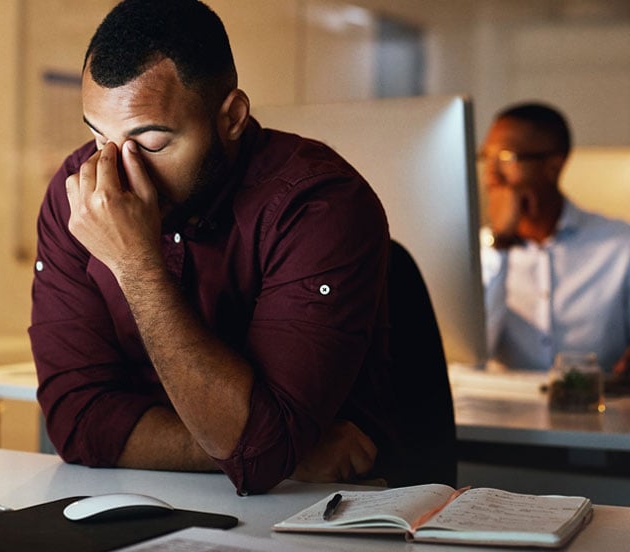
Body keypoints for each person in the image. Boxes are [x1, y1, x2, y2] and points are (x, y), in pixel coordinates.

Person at [28, 0, 451, 495]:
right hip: (151, 499)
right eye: (98, 137)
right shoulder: (77, 194)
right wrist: (284, 452)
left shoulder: (320, 203)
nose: (117, 175)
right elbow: (77, 421)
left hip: (326, 508)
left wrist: (134, 263)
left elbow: (259, 452)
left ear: (231, 117)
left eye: (152, 143)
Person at [479, 102, 630, 382]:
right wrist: (500, 244)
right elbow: (472, 356)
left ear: (554, 165)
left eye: (507, 158)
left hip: (597, 404)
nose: (491, 175)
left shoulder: (624, 245)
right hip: (503, 406)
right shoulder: (481, 251)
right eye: (486, 157)